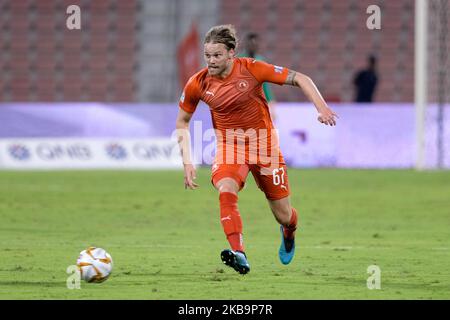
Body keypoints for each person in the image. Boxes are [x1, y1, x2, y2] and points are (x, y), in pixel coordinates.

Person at [175, 25, 338, 275]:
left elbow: (301, 78)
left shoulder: (252, 69)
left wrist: (322, 108)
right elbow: (182, 121)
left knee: (284, 215)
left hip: (265, 148)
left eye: (217, 55)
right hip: (230, 148)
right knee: (226, 188)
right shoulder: (198, 83)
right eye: (207, 55)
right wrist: (187, 161)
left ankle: (289, 231)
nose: (211, 61)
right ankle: (239, 252)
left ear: (231, 53)